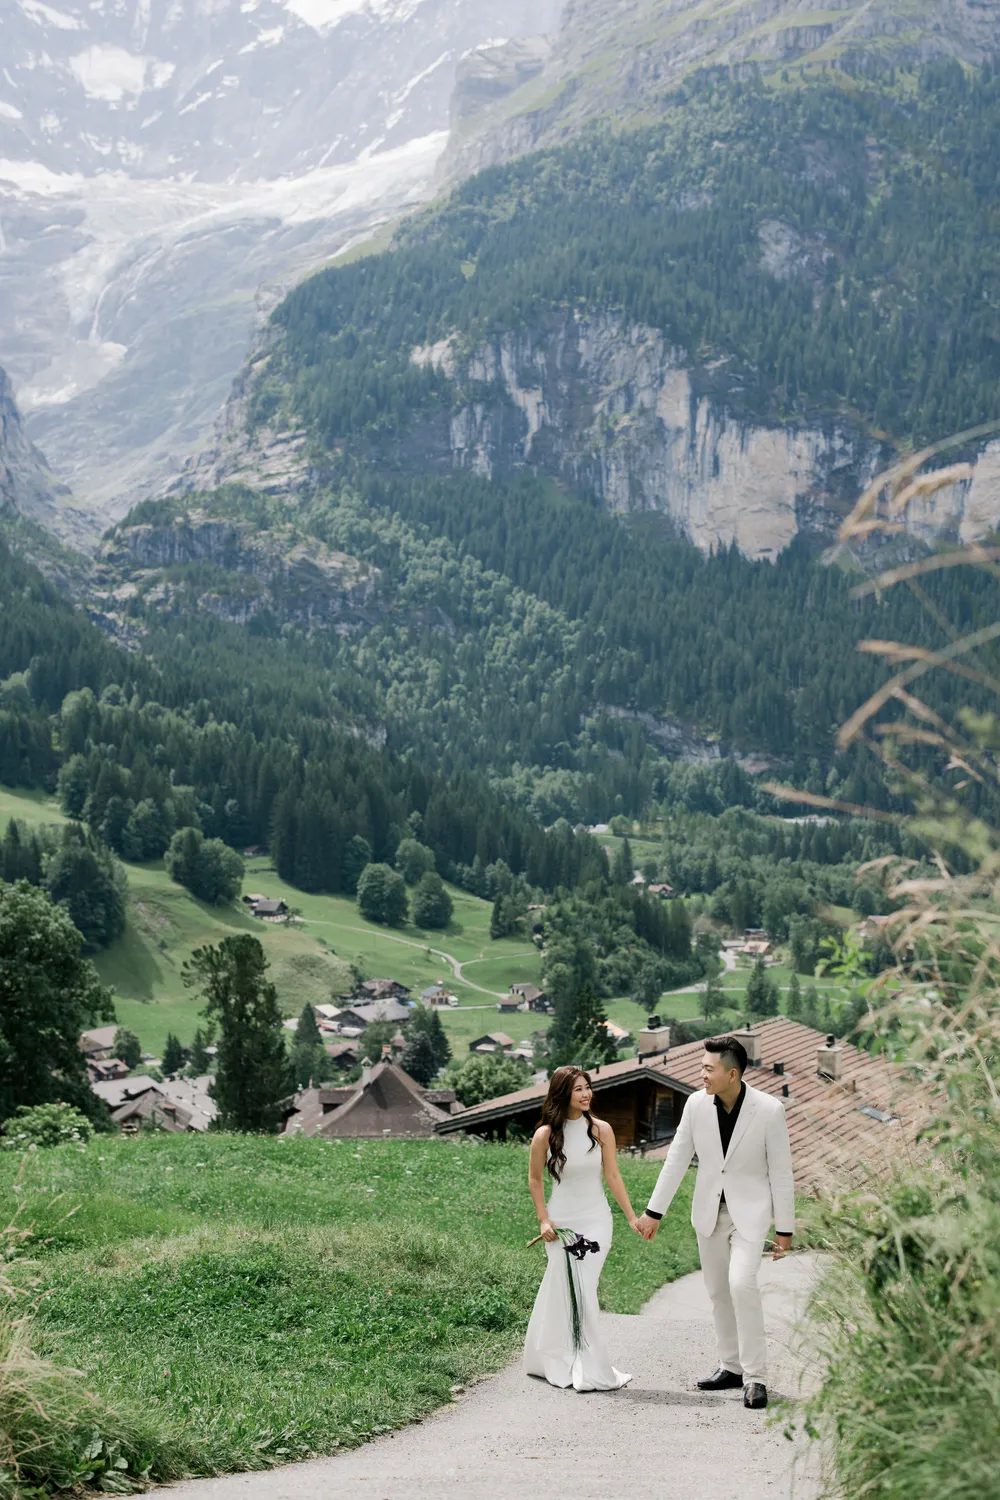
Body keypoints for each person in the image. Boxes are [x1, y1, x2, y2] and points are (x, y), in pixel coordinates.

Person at [635, 1035, 794, 1410]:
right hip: (708, 1213)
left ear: (732, 1073)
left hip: (751, 1216)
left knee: (742, 1285)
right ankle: (731, 1367)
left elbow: (781, 1173)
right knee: (718, 1292)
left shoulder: (769, 1110)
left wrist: (784, 1229)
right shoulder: (695, 1105)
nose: (701, 1074)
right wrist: (653, 1212)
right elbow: (676, 1159)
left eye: (709, 1068)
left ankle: (756, 1378)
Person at [524, 1065, 641, 1390]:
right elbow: (535, 1179)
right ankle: (555, 1356)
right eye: (578, 1089)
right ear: (563, 1093)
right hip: (563, 1224)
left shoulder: (602, 1130)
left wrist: (631, 1216)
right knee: (565, 1289)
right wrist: (543, 1219)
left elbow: (613, 1176)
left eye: (588, 1087)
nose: (587, 1093)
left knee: (584, 1289)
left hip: (596, 1221)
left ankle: (592, 1365)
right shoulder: (545, 1135)